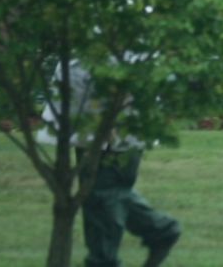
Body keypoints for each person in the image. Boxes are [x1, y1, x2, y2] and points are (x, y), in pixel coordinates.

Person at [37, 59, 181, 267]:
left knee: (102, 194)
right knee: (106, 191)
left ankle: (105, 260)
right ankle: (160, 230)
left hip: (112, 126)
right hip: (90, 120)